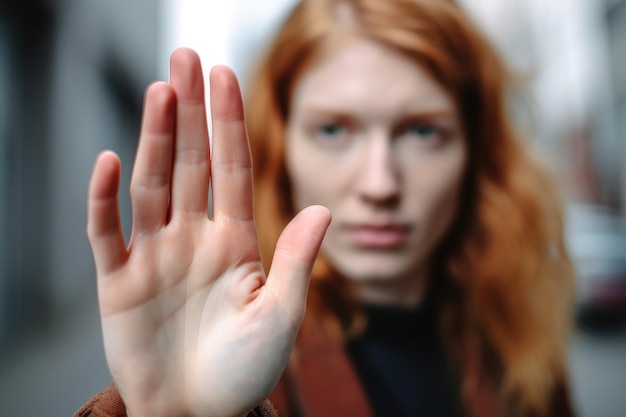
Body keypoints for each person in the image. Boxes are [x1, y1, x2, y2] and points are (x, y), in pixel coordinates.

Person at [75, 0, 577, 416]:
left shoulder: (522, 354)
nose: (380, 184)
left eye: (422, 131)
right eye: (333, 130)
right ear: (280, 151)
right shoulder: (227, 354)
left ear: (475, 153)